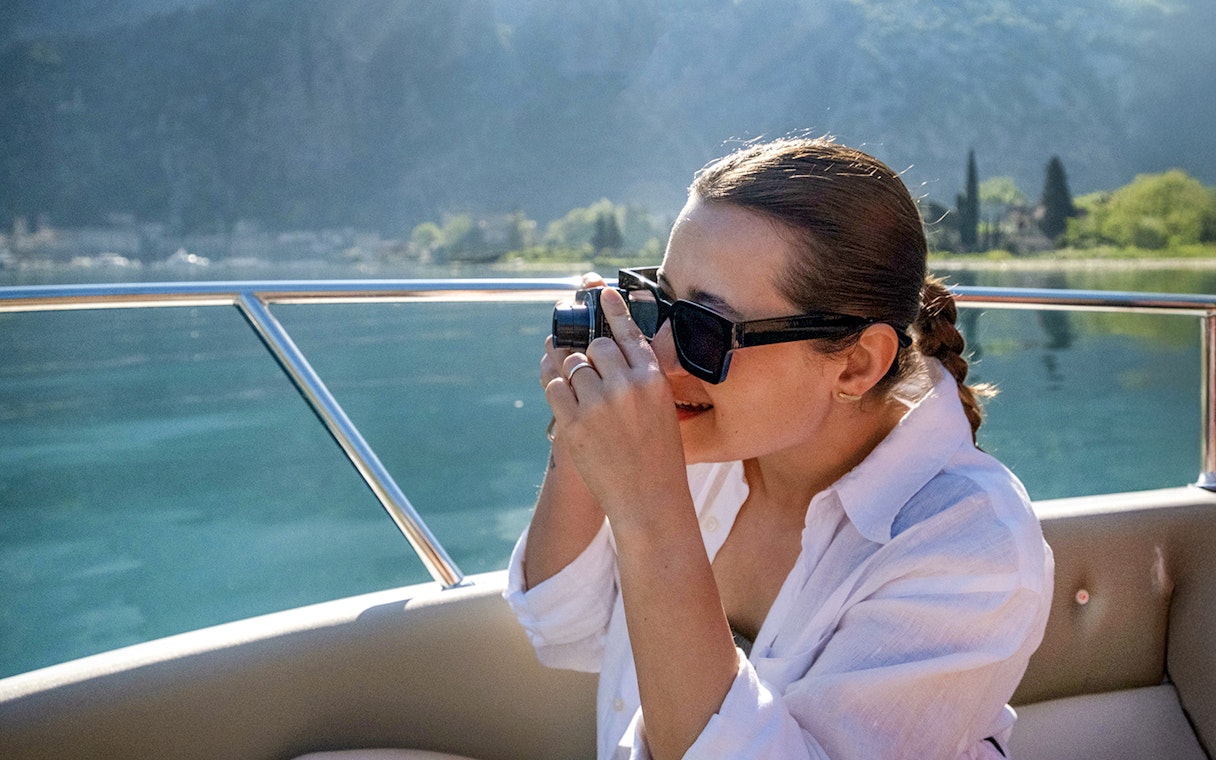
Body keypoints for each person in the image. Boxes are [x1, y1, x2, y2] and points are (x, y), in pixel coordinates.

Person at [503, 136, 1054, 759]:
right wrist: (583, 424)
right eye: (659, 306)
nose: (655, 358)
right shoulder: (710, 441)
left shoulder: (973, 549)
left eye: (702, 331)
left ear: (856, 365)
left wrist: (649, 507)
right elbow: (559, 624)